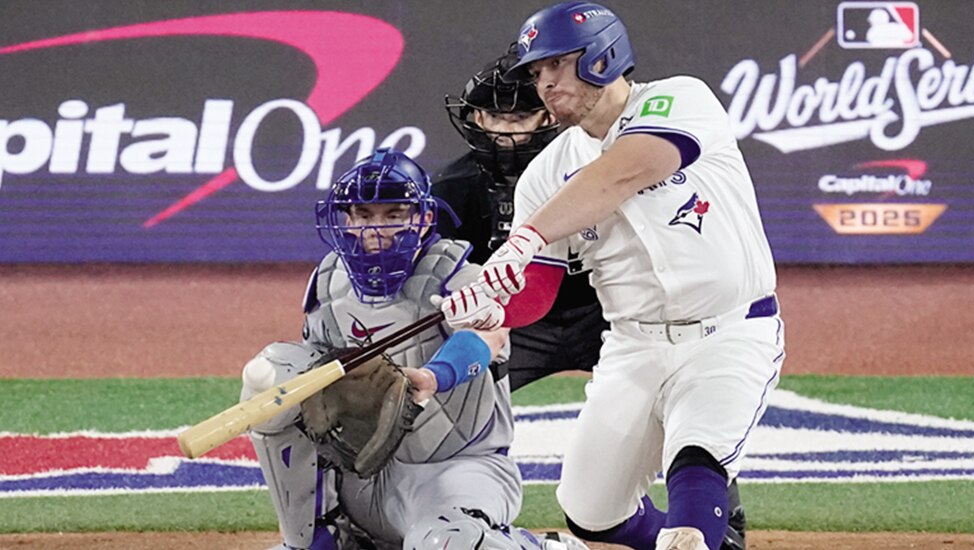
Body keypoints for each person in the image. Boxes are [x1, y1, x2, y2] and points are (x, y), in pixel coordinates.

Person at [436, 3, 784, 550]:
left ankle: (698, 534)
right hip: (632, 346)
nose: (544, 82)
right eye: (535, 72)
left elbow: (625, 169)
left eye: (556, 64)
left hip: (729, 332)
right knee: (590, 512)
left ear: (603, 54)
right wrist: (490, 307)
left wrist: (526, 236)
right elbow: (538, 292)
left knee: (697, 461)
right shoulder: (545, 174)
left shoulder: (680, 98)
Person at [241, 148, 587, 550]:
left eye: (394, 215)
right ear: (347, 219)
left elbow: (486, 339)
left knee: (445, 545)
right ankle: (316, 538)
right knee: (272, 375)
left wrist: (431, 377)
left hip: (454, 474)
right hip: (364, 478)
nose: (376, 229)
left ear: (424, 219)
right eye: (364, 215)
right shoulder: (328, 284)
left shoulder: (462, 276)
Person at [434, 47, 609, 391]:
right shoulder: (450, 189)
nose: (505, 131)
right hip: (514, 320)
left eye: (518, 119)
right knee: (468, 392)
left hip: (598, 309)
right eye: (494, 117)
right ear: (476, 119)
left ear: (547, 117)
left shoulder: (593, 169)